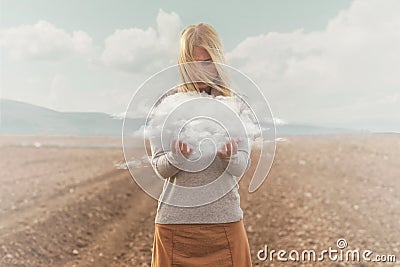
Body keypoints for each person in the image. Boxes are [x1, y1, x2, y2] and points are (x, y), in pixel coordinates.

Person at [150, 22, 253, 267]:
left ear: (218, 60)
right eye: (192, 63)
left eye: (207, 61)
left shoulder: (236, 105)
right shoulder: (166, 105)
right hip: (175, 229)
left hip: (225, 226)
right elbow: (159, 167)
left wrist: (228, 156)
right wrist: (177, 157)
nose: (200, 71)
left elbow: (242, 166)